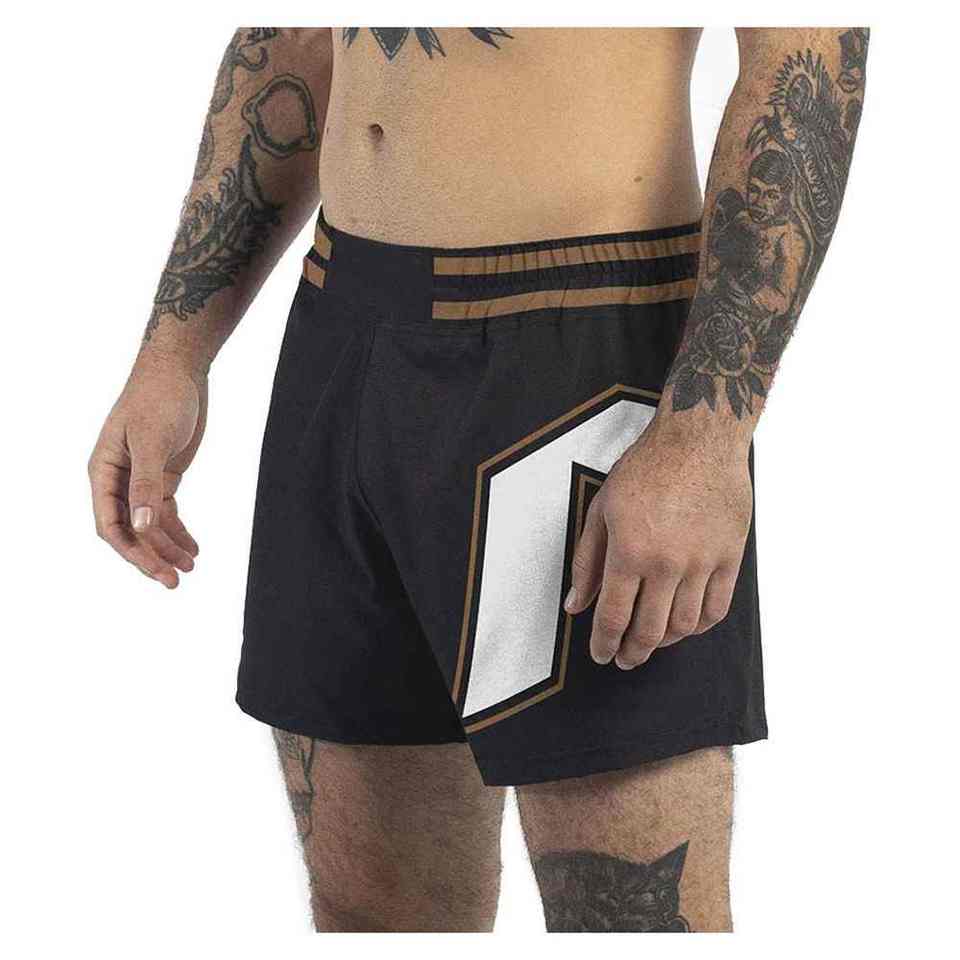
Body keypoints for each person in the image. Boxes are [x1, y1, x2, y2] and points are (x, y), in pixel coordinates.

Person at [88, 27, 868, 932]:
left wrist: (704, 438)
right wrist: (174, 350)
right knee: (374, 913)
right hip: (344, 326)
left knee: (628, 924)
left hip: (584, 354)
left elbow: (808, 52)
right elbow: (295, 37)